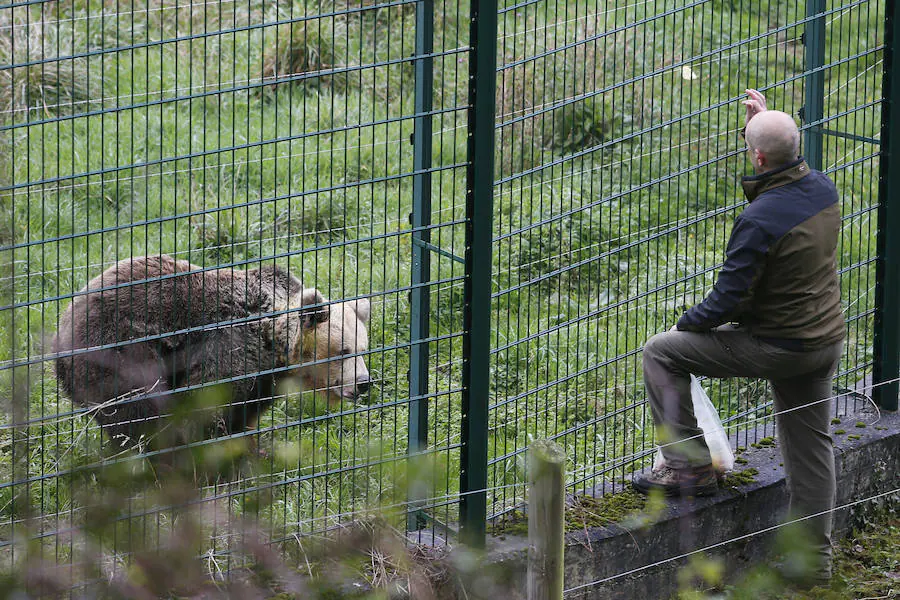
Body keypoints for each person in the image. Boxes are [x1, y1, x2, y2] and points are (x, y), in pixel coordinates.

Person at [632, 89, 845, 583]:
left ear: (757, 158)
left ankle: (689, 468)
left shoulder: (757, 221)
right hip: (824, 339)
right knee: (811, 448)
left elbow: (727, 302)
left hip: (780, 346)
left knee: (661, 353)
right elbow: (780, 168)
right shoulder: (823, 189)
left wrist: (687, 324)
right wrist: (763, 123)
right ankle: (813, 566)